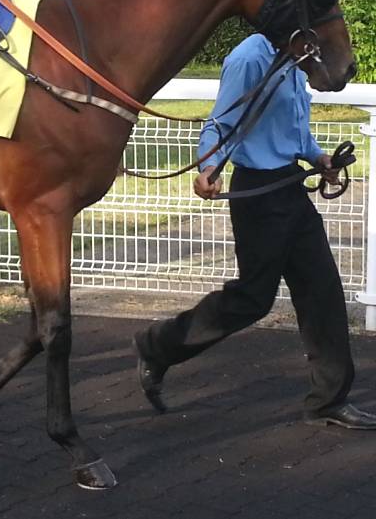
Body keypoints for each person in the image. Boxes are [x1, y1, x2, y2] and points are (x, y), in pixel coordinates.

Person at [132, 33, 376, 430]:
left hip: (289, 185)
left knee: (323, 290)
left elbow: (292, 128)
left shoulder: (297, 55)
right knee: (252, 298)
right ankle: (158, 345)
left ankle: (328, 400)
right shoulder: (249, 58)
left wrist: (319, 157)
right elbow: (220, 123)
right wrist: (208, 168)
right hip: (258, 193)